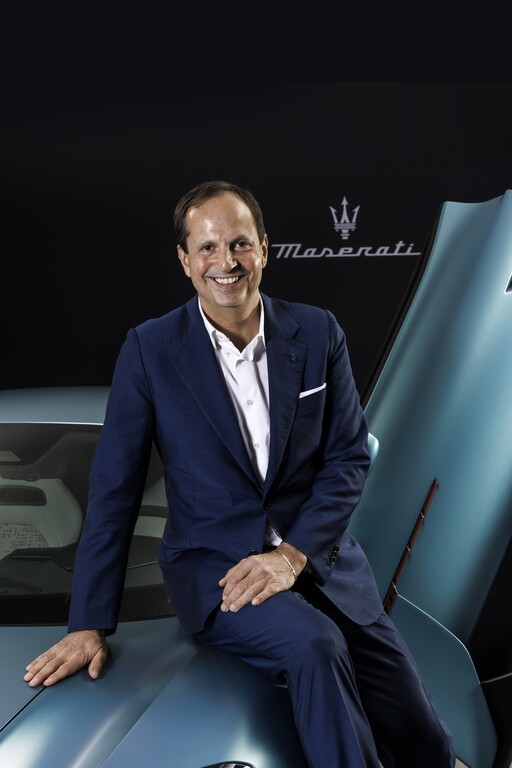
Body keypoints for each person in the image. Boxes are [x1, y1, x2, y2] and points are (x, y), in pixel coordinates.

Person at [24, 180, 455, 767]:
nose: (225, 262)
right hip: (216, 569)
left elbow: (348, 458)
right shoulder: (151, 350)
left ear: (264, 249)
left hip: (317, 562)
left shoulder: (318, 332)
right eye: (207, 247)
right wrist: (88, 622)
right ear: (184, 260)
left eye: (239, 244)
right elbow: (115, 490)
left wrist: (292, 556)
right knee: (315, 644)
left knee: (425, 738)